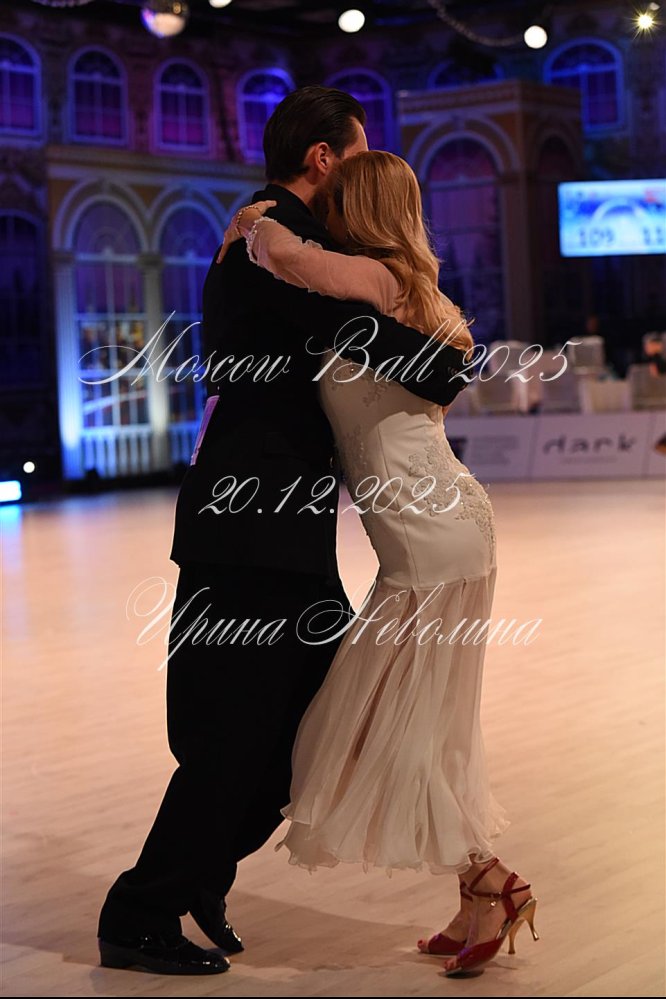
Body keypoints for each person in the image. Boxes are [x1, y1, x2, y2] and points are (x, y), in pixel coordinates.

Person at [96, 87, 469, 976]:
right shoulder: (272, 246)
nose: (364, 173)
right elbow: (394, 352)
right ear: (323, 158)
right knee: (236, 736)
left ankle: (197, 874)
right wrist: (445, 356)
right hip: (251, 527)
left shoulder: (280, 240)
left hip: (278, 528)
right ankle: (140, 911)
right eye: (358, 154)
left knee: (311, 731)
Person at [220, 149, 539, 977]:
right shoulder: (411, 291)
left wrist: (255, 219)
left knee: (364, 728)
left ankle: (492, 882)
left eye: (336, 200)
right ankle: (478, 891)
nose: (322, 213)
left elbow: (286, 256)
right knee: (419, 727)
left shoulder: (375, 281)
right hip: (443, 530)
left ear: (358, 208)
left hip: (430, 541)